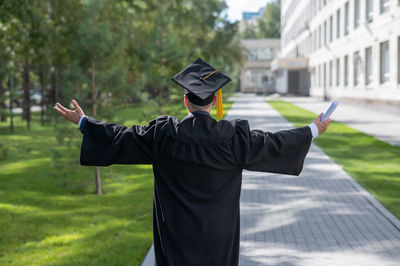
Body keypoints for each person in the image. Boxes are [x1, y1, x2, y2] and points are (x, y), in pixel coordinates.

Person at [54, 58, 330, 266]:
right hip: (218, 236)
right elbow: (274, 143)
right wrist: (312, 129)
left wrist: (83, 122)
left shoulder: (163, 134)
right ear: (213, 102)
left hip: (176, 236)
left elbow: (121, 137)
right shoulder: (234, 138)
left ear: (186, 101)